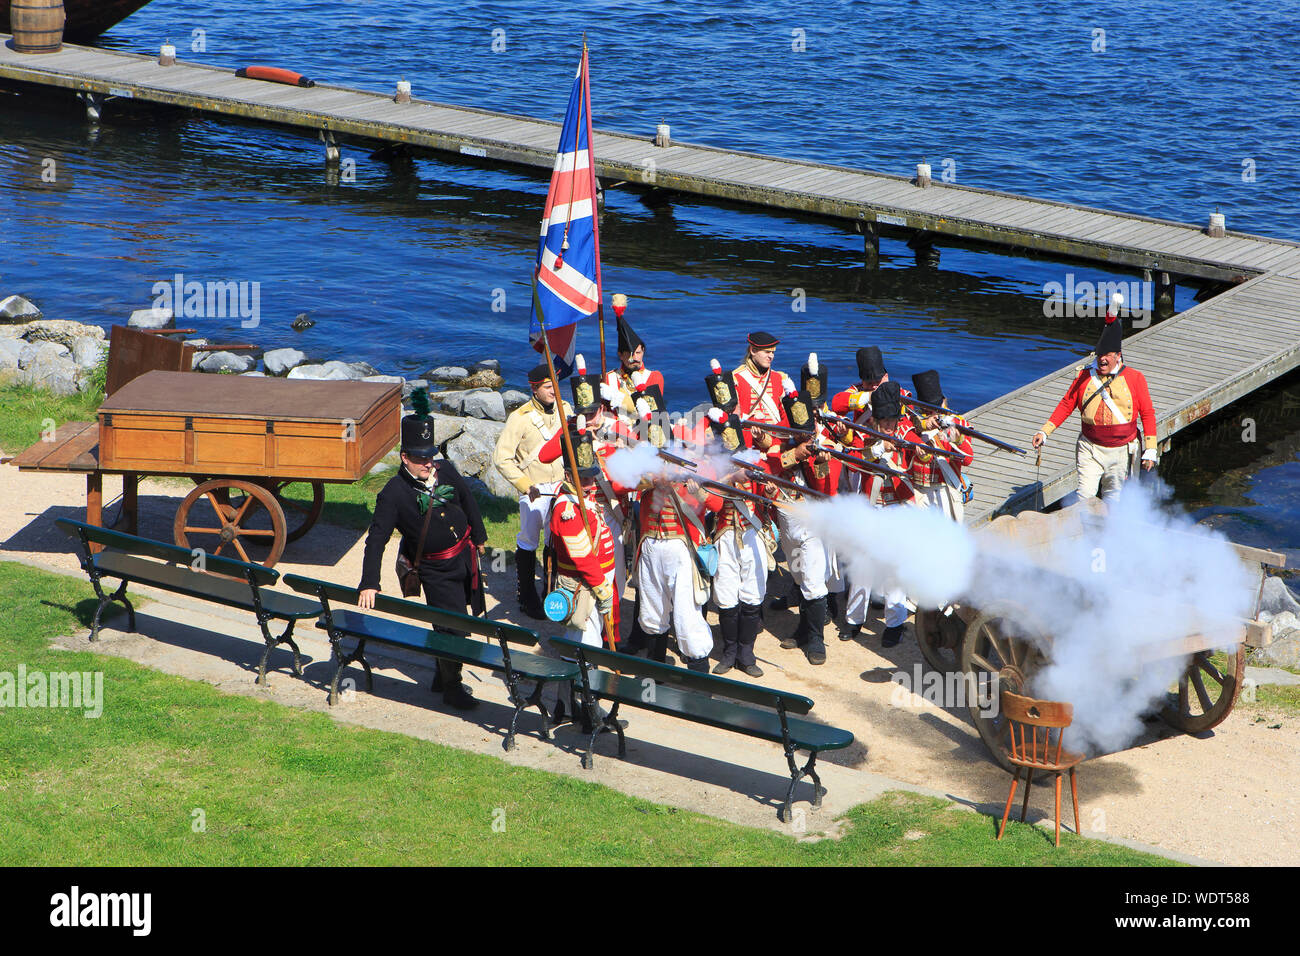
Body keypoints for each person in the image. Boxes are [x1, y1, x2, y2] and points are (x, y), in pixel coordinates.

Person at [358, 397, 488, 710]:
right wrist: (369, 581)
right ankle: (452, 687)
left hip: (464, 558)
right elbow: (377, 539)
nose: (428, 463)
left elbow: (467, 499)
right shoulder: (393, 493)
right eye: (419, 458)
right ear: (404, 457)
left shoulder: (445, 470)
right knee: (453, 628)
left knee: (462, 620)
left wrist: (480, 536)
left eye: (430, 456)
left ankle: (442, 674)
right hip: (436, 571)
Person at [1031, 302, 1158, 500]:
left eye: (1108, 355)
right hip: (1090, 448)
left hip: (1122, 451)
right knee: (1085, 496)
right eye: (1100, 355)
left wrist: (1150, 448)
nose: (1103, 360)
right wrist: (1044, 431)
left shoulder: (1135, 378)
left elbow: (1147, 413)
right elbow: (1067, 403)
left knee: (1114, 500)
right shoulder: (1084, 376)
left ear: (1118, 356)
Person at [492, 363, 573, 618]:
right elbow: (501, 458)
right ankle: (527, 597)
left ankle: (552, 594)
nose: (554, 392)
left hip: (561, 487)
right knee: (528, 542)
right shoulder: (520, 417)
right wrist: (525, 486)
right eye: (549, 387)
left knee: (556, 540)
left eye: (556, 386)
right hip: (534, 489)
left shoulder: (566, 410)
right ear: (535, 389)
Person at [842, 381, 919, 648]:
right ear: (875, 419)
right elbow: (852, 460)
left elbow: (920, 453)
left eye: (893, 420)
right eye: (886, 421)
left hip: (896, 509)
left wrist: (920, 450)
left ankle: (894, 623)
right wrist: (877, 450)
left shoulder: (905, 433)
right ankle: (854, 620)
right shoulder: (864, 435)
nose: (891, 426)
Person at [634, 473, 723, 671]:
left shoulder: (697, 466)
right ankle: (655, 670)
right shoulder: (647, 465)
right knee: (652, 612)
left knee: (687, 615)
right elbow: (620, 485)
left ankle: (700, 679)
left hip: (681, 549)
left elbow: (717, 504)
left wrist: (697, 492)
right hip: (651, 545)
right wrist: (651, 481)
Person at [907, 370, 975, 523]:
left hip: (945, 489)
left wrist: (957, 440)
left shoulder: (958, 424)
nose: (933, 413)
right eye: (927, 410)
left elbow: (967, 459)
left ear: (943, 403)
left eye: (936, 409)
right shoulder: (912, 424)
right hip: (916, 489)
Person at [603, 294, 666, 419]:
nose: (635, 358)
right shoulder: (608, 378)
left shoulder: (654, 376)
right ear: (620, 355)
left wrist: (617, 398)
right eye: (630, 354)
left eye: (638, 353)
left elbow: (651, 410)